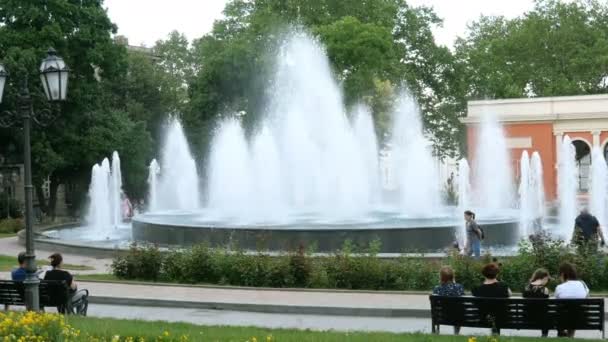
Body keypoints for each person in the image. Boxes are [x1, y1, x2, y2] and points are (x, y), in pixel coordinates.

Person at [472, 263, 511, 335]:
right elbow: (509, 294)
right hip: (502, 318)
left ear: (483, 274)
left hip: (484, 319)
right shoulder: (503, 286)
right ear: (497, 274)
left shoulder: (477, 288)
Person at [555, 262, 589, 337]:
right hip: (582, 319)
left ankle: (562, 333)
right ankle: (570, 336)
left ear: (562, 274)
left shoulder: (559, 287)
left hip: (563, 320)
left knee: (563, 311)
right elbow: (586, 299)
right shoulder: (583, 284)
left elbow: (557, 303)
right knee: (575, 311)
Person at [432, 266, 465, 334]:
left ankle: (436, 331)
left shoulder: (437, 288)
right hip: (458, 317)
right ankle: (456, 333)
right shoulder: (459, 287)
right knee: (458, 311)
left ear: (441, 277)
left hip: (442, 316)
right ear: (452, 276)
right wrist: (454, 283)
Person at [523, 268, 551, 337]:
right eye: (547, 279)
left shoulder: (526, 288)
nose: (547, 281)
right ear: (543, 278)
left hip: (527, 318)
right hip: (542, 320)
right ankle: (544, 335)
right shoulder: (545, 290)